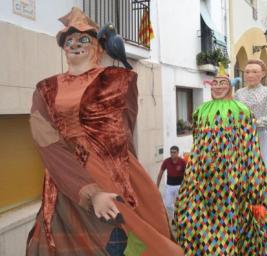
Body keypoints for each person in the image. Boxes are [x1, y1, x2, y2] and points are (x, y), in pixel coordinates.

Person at [26, 7, 183, 256]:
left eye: (83, 39)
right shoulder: (46, 89)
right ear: (63, 46)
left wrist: (126, 177)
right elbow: (46, 142)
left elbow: (125, 130)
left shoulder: (120, 80)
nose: (75, 44)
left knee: (134, 242)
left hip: (116, 170)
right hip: (69, 177)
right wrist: (90, 192)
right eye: (69, 40)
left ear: (97, 45)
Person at [175, 65, 267, 255]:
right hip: (206, 173)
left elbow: (249, 143)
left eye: (223, 83)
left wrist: (249, 171)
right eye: (215, 83)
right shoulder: (201, 111)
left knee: (236, 213)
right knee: (196, 213)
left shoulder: (242, 111)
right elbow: (197, 141)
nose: (218, 87)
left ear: (230, 87)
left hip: (234, 172)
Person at [235, 59, 267, 181]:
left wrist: (254, 123)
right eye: (247, 72)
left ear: (263, 73)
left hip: (259, 137)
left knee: (260, 171)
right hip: (240, 137)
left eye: (255, 71)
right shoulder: (238, 93)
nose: (250, 75)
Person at [156, 146, 186, 221]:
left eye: (174, 152)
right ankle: (174, 218)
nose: (172, 154)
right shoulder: (166, 161)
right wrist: (157, 185)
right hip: (169, 186)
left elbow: (187, 174)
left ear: (178, 153)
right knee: (168, 205)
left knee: (180, 205)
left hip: (179, 186)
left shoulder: (182, 162)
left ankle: (180, 220)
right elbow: (160, 174)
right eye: (171, 152)